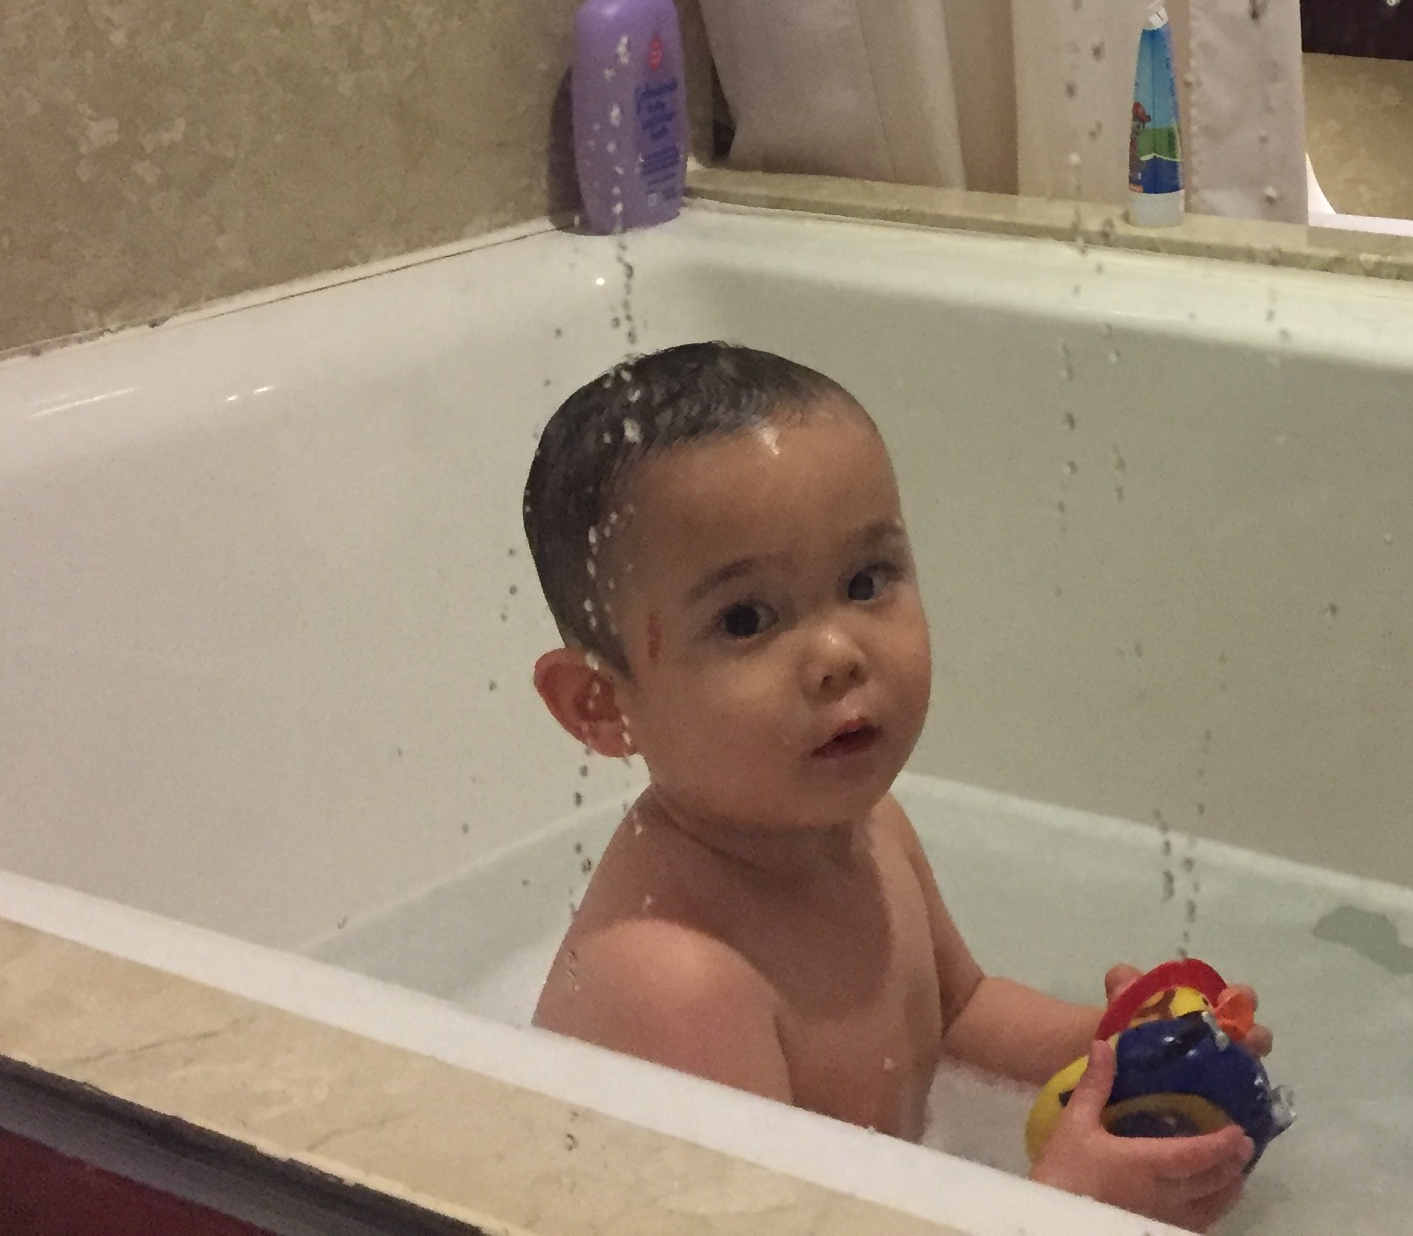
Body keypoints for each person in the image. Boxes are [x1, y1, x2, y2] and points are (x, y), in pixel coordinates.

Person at [522, 341, 1266, 1230]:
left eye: (865, 581)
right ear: (602, 706)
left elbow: (959, 1014)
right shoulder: (676, 989)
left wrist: (1121, 1051)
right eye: (746, 619)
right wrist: (1058, 1211)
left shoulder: (872, 827)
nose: (838, 652)